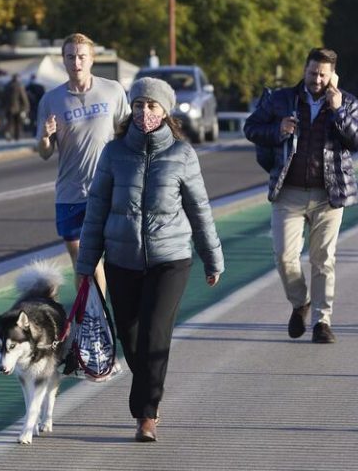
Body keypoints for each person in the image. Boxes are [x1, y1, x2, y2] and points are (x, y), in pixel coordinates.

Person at [75, 77, 224, 443]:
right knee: (131, 335)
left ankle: (147, 413)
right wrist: (85, 265)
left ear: (165, 111)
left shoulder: (182, 155)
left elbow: (199, 210)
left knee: (156, 333)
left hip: (170, 259)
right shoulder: (113, 153)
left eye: (152, 106)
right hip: (121, 259)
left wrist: (212, 258)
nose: (145, 112)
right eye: (139, 105)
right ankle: (145, 402)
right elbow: (96, 210)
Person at [243, 48, 358, 344]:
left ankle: (322, 322)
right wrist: (278, 129)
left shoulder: (346, 102)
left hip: (328, 195)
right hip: (288, 192)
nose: (316, 79)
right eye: (312, 72)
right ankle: (301, 303)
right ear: (305, 69)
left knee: (323, 259)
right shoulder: (281, 99)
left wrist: (338, 111)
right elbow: (251, 128)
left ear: (332, 76)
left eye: (323, 75)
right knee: (284, 257)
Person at [37, 33, 130, 292]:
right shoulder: (51, 100)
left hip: (107, 190)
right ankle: (88, 316)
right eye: (70, 57)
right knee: (81, 261)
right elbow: (44, 152)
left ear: (92, 60)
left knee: (97, 260)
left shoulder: (112, 90)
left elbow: (127, 135)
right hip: (69, 194)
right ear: (63, 61)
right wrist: (45, 136)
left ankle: (98, 317)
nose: (76, 62)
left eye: (81, 57)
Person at [2, 74, 30, 141]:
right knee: (17, 123)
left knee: (9, 122)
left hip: (8, 108)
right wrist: (26, 107)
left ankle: (8, 134)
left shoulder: (7, 86)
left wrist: (3, 106)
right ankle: (16, 137)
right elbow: (23, 97)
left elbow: (3, 98)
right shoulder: (19, 86)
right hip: (18, 108)